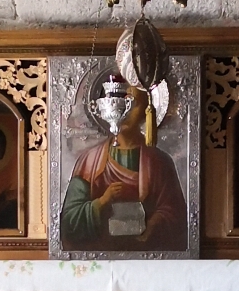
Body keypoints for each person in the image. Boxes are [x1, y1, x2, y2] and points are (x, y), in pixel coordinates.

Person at [61, 81, 187, 252]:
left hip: (149, 258)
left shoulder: (160, 162)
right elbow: (69, 222)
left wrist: (153, 224)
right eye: (116, 104)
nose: (124, 112)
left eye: (132, 103)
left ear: (146, 110)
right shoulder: (89, 162)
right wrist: (101, 202)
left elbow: (176, 217)